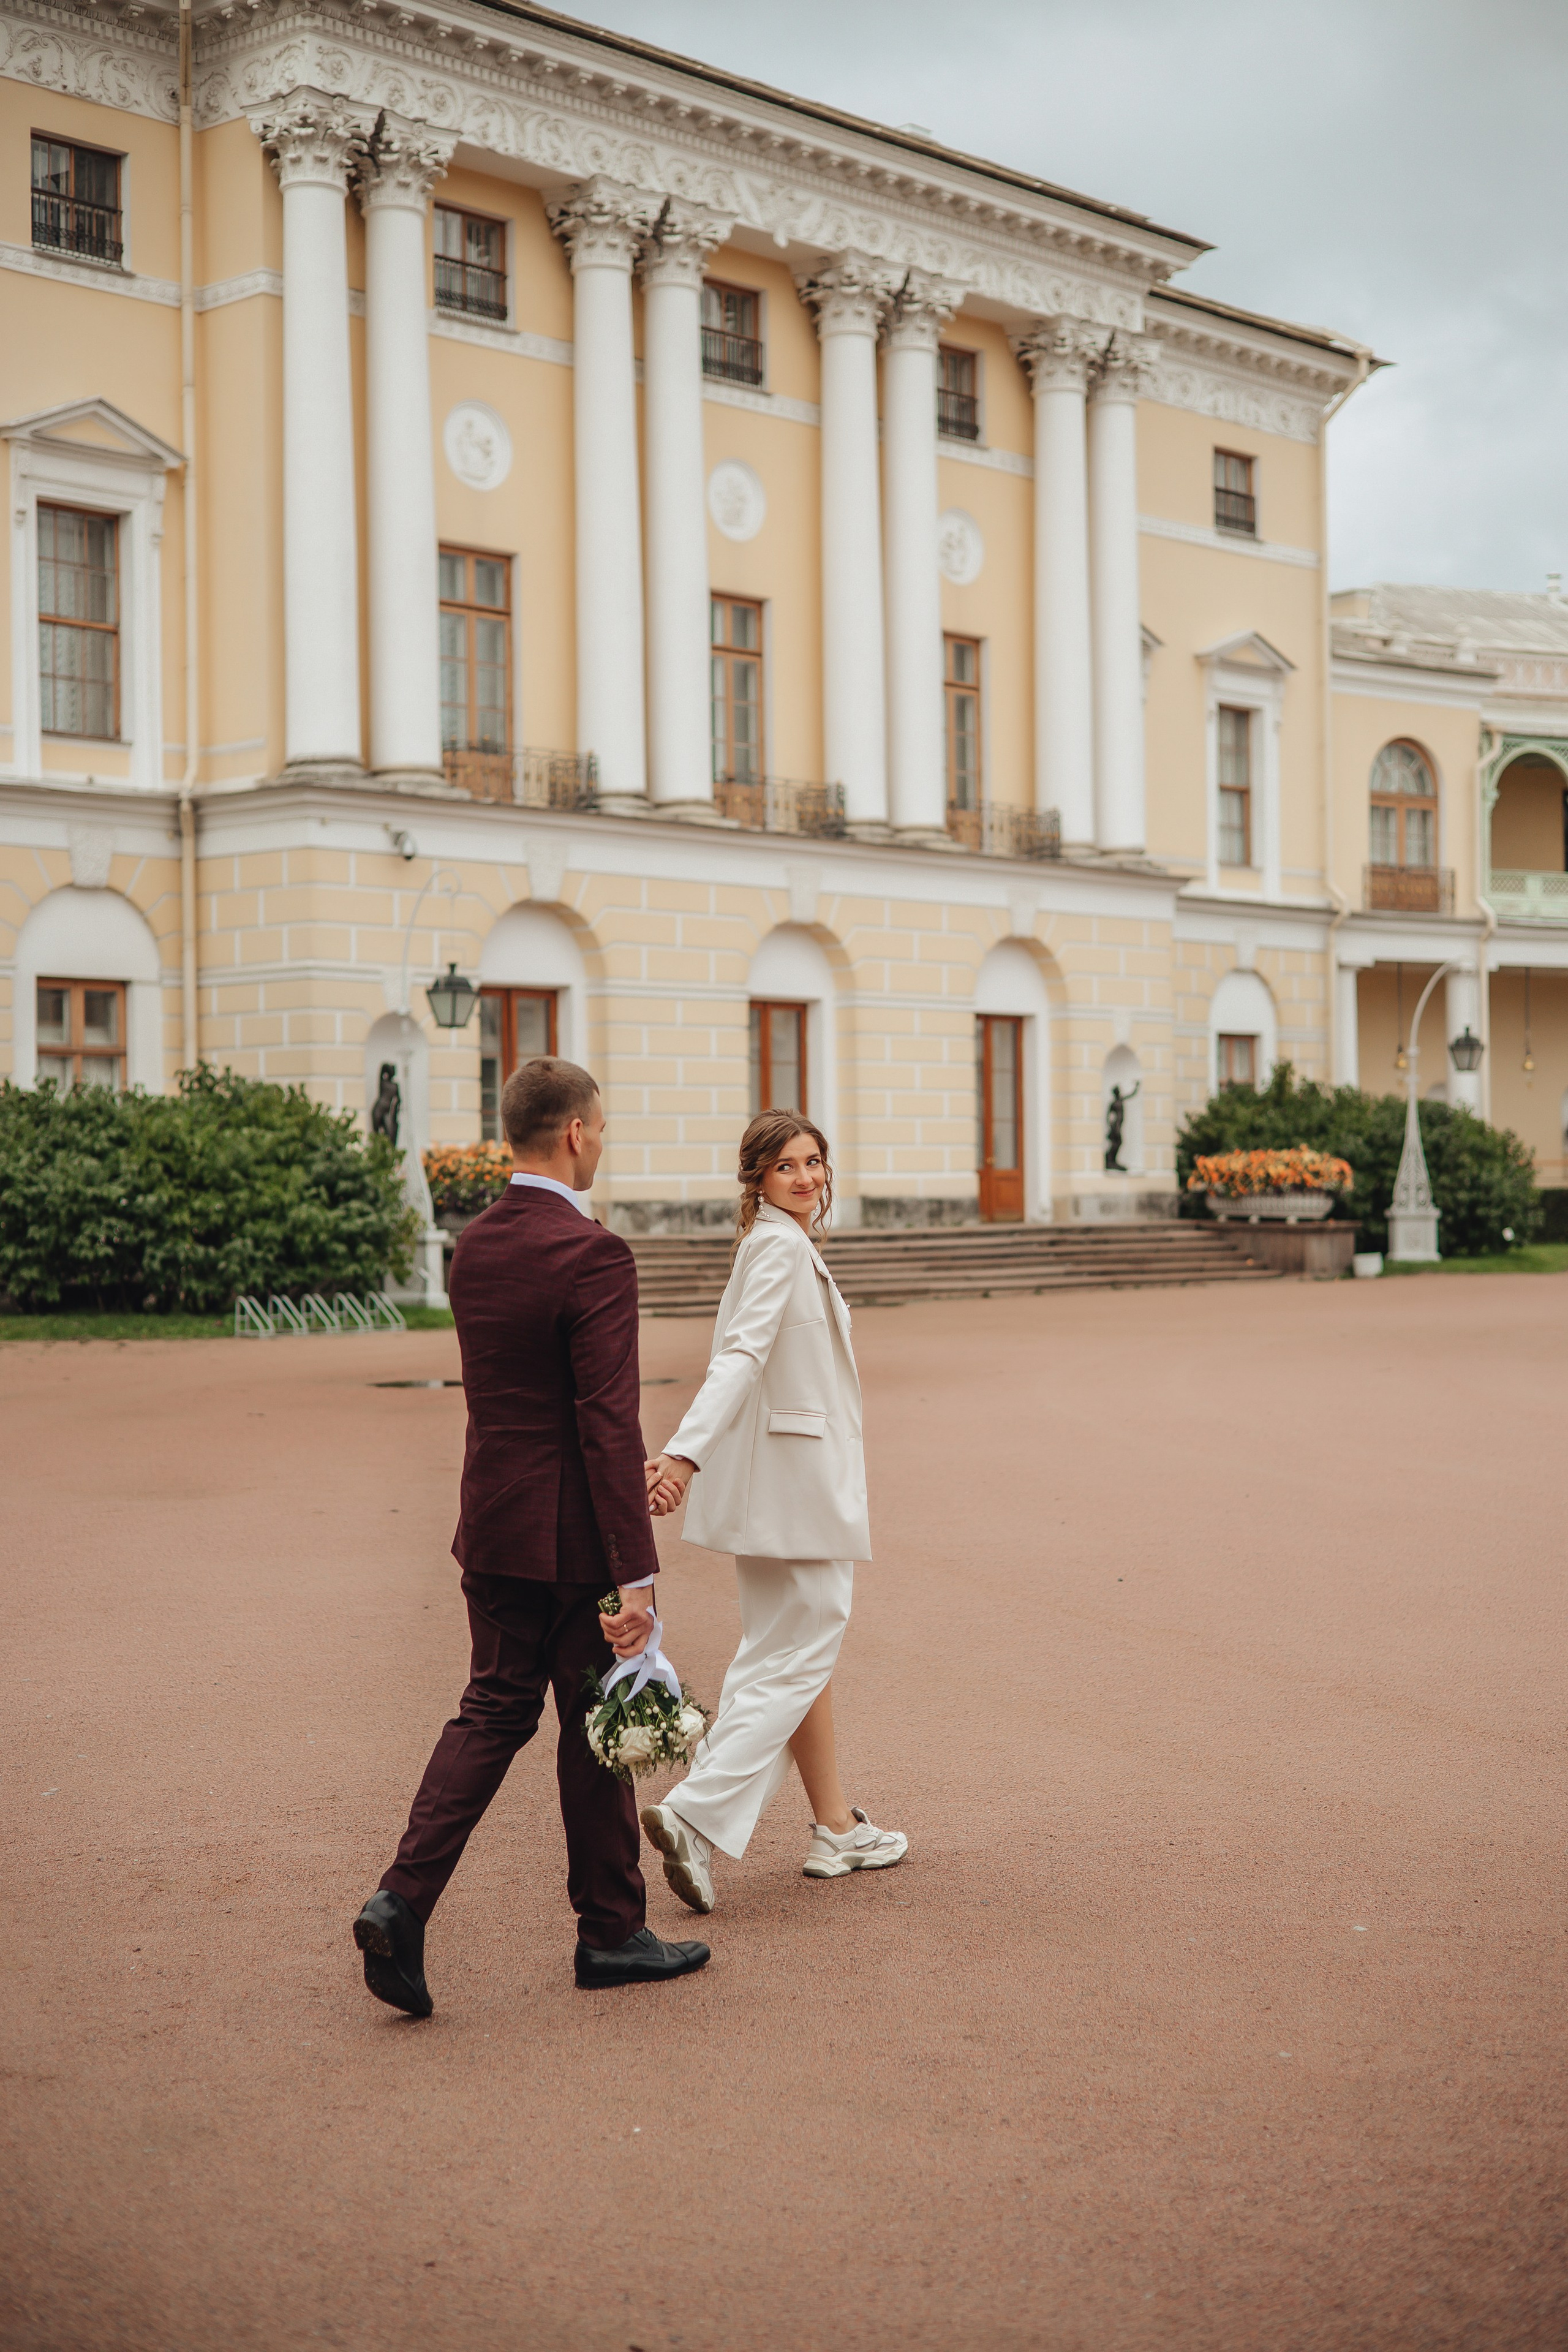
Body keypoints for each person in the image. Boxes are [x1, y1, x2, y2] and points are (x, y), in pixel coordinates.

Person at [352, 1057, 709, 2010]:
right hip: (575, 1540)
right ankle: (611, 1932)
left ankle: (401, 1899)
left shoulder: (478, 1246)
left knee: (495, 1709)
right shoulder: (592, 1253)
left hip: (494, 1519)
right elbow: (606, 1421)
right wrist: (636, 1574)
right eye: (605, 1127)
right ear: (578, 1134)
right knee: (597, 1723)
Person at [639, 1109, 907, 1913]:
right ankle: (695, 1813)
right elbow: (741, 1360)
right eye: (788, 1166)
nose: (808, 1177)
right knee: (800, 1649)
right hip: (795, 1491)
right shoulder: (779, 1251)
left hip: (779, 1491)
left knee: (785, 1654)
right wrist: (684, 1453)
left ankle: (833, 1828)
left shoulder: (775, 1247)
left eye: (816, 1162)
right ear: (757, 1178)